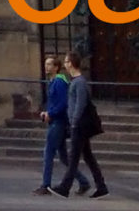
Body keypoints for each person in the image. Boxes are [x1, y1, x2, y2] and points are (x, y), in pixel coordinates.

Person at [58, 50, 107, 200]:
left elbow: (80, 104)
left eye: (66, 62)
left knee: (73, 158)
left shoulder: (79, 82)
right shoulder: (76, 81)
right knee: (88, 157)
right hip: (77, 125)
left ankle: (64, 188)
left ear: (71, 63)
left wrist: (74, 121)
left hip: (78, 126)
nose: (65, 64)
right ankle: (101, 187)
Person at [39, 55, 70, 195]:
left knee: (49, 152)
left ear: (56, 67)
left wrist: (51, 113)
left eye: (50, 64)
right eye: (46, 64)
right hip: (55, 120)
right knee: (63, 157)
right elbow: (54, 102)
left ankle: (45, 185)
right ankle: (83, 181)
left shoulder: (59, 82)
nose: (47, 67)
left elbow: (63, 103)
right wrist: (47, 112)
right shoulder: (52, 81)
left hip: (58, 122)